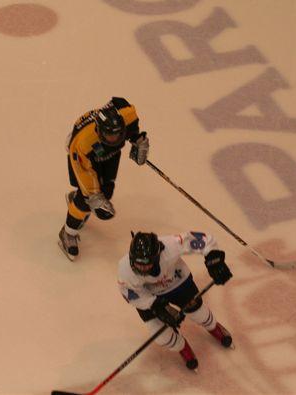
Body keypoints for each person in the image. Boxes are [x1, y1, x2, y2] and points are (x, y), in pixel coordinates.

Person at [117, 231, 233, 370]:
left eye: (146, 264)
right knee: (162, 337)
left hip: (177, 283)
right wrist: (154, 305)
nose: (141, 268)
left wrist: (214, 259)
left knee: (199, 314)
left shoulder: (170, 245)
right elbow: (130, 294)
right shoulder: (124, 269)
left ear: (157, 256)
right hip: (149, 296)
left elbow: (203, 239)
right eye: (137, 263)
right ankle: (182, 347)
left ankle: (213, 326)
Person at [58, 97, 149, 261]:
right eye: (110, 136)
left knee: (107, 191)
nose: (115, 139)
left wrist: (137, 140)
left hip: (109, 155)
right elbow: (84, 172)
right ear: (99, 132)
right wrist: (92, 195)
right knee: (87, 200)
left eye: (118, 134)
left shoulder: (128, 117)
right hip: (84, 160)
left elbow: (123, 108)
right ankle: (67, 232)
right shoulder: (83, 145)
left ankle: (77, 199)